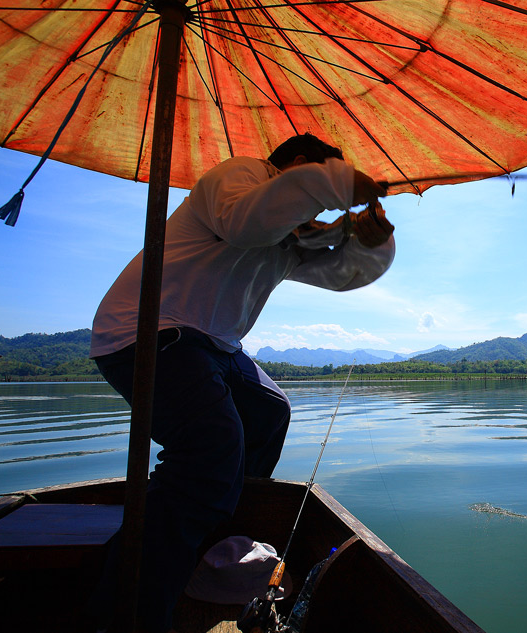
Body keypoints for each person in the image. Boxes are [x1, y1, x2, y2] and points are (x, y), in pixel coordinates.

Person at [88, 133, 394, 632]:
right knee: (210, 451)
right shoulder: (240, 177)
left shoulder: (289, 231)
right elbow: (246, 222)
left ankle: (212, 547)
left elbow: (343, 274)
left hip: (213, 346)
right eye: (320, 178)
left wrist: (372, 243)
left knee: (268, 412)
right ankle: (124, 615)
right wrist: (337, 184)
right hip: (147, 332)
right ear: (297, 167)